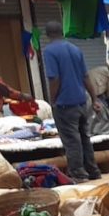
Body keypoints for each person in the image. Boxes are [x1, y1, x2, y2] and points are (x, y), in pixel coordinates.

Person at [42, 21, 101, 181]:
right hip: (82, 103)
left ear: (47, 35)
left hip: (65, 104)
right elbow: (86, 76)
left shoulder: (49, 51)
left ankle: (79, 175)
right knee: (84, 138)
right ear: (62, 32)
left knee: (71, 141)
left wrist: (52, 100)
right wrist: (94, 98)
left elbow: (54, 79)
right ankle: (94, 172)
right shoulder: (75, 49)